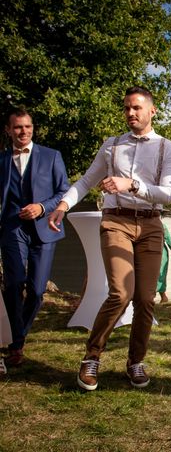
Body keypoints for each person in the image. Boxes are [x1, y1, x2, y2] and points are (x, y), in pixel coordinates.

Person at [49, 86, 171, 391]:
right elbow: (85, 181)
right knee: (121, 293)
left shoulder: (167, 148)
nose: (130, 114)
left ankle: (135, 361)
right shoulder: (112, 146)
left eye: (136, 108)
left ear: (152, 111)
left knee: (146, 299)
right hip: (116, 222)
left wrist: (131, 184)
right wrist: (63, 205)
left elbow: (168, 193)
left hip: (150, 226)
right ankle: (91, 356)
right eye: (126, 109)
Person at [1, 107, 70, 367]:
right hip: (12, 229)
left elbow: (64, 191)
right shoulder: (2, 160)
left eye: (28, 126)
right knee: (14, 283)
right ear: (9, 130)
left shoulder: (52, 156)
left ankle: (19, 333)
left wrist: (42, 207)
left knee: (38, 291)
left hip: (45, 227)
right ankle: (16, 343)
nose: (23, 131)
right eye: (18, 127)